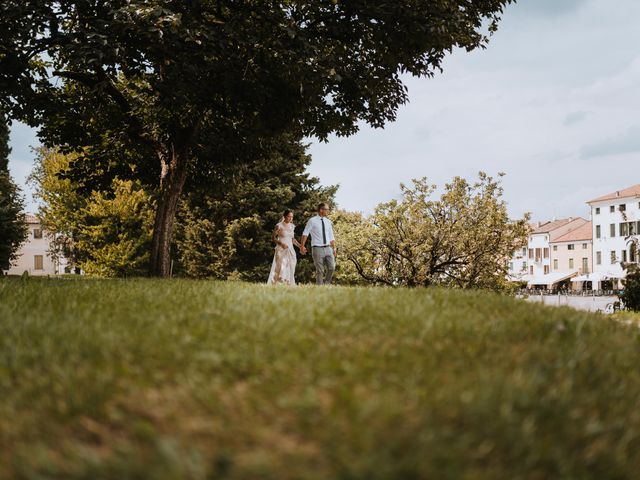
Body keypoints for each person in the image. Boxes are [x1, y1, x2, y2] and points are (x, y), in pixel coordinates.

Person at [300, 202, 337, 285]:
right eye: (327, 209)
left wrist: (334, 248)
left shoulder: (328, 222)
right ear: (321, 210)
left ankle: (326, 284)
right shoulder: (312, 221)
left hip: (328, 248)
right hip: (317, 248)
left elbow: (331, 236)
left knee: (332, 267)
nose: (328, 211)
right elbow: (305, 233)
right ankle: (319, 287)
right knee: (320, 270)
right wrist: (302, 246)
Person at [267, 209, 301, 285]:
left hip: (290, 249)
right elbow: (273, 238)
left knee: (291, 265)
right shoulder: (279, 225)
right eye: (289, 216)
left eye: (292, 217)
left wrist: (300, 246)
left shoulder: (292, 226)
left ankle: (289, 283)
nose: (290, 218)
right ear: (285, 216)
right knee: (280, 267)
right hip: (281, 249)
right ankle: (278, 283)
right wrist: (281, 244)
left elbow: (293, 239)